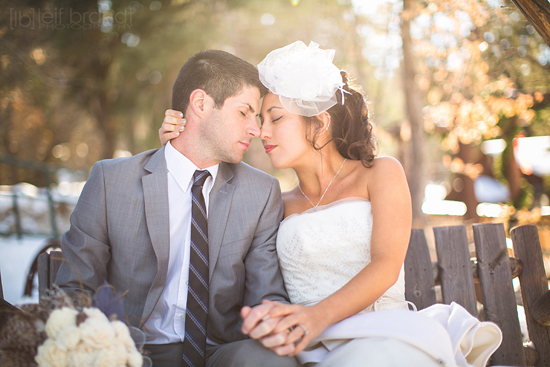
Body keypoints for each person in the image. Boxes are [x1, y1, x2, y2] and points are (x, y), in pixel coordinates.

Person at [160, 41, 503, 367]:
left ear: (320, 122)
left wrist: (315, 317)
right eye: (260, 120)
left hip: (383, 335)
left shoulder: (380, 173)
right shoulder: (271, 203)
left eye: (275, 118)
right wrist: (181, 147)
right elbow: (201, 208)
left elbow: (386, 263)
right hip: (306, 348)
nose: (262, 132)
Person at [56, 49, 300, 367]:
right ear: (200, 104)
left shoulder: (261, 191)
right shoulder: (110, 180)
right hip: (129, 349)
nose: (255, 130)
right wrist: (99, 347)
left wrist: (271, 318)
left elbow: (265, 292)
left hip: (220, 351)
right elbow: (75, 286)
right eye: (245, 113)